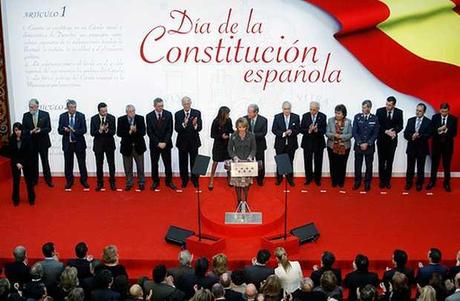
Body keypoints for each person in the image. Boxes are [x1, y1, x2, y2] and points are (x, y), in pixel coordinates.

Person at [146, 97, 177, 191]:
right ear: (154, 106)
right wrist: (158, 143)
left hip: (166, 144)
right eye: (159, 106)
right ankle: (155, 181)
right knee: (154, 164)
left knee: (168, 164)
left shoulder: (168, 114)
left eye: (162, 106)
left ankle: (169, 181)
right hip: (155, 145)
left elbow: (170, 130)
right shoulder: (149, 116)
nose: (161, 108)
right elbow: (149, 132)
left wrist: (164, 142)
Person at [58, 99, 89, 189]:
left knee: (82, 163)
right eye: (71, 107)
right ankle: (69, 181)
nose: (73, 109)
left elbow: (84, 130)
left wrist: (74, 131)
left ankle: (84, 181)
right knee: (68, 164)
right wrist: (65, 130)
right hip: (68, 144)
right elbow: (59, 130)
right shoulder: (62, 116)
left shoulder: (81, 116)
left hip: (79, 144)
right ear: (67, 108)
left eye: (74, 107)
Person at [22, 98, 53, 187]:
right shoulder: (26, 115)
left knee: (45, 162)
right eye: (29, 107)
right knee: (33, 163)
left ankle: (48, 180)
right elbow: (23, 130)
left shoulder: (45, 114)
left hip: (43, 142)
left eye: (32, 107)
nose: (30, 108)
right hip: (31, 143)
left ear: (37, 106)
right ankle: (34, 180)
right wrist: (30, 131)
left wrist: (40, 130)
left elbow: (49, 128)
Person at [427, 103, 457, 192]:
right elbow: (431, 131)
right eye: (442, 111)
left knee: (446, 165)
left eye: (446, 111)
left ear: (448, 111)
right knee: (434, 165)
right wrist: (439, 130)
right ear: (440, 110)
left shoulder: (453, 119)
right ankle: (432, 181)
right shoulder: (435, 117)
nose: (444, 113)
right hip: (436, 145)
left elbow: (454, 133)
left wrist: (446, 131)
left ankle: (447, 183)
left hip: (447, 146)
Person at [227, 117, 257, 208]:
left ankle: (245, 201)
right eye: (239, 127)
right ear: (237, 127)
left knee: (246, 184)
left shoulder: (251, 135)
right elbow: (229, 149)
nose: (241, 129)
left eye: (243, 127)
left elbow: (254, 148)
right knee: (237, 184)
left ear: (246, 127)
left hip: (247, 163)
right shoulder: (233, 136)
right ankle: (239, 201)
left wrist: (250, 156)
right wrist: (234, 157)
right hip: (237, 163)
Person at [175, 96, 202, 188]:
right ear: (182, 104)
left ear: (190, 103)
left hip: (194, 142)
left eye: (188, 103)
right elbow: (177, 129)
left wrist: (195, 125)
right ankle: (184, 180)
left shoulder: (197, 113)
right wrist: (184, 124)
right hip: (182, 143)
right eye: (184, 104)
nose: (186, 105)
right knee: (183, 163)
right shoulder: (178, 114)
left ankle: (195, 180)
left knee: (195, 162)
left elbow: (200, 128)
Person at [117, 104, 146, 191]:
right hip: (126, 147)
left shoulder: (140, 118)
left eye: (133, 111)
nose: (132, 113)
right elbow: (119, 133)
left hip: (138, 146)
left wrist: (136, 130)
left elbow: (143, 132)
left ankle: (141, 182)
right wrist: (129, 131)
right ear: (126, 112)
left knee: (140, 167)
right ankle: (129, 183)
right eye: (130, 111)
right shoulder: (121, 119)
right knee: (128, 167)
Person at [376, 96, 403, 189]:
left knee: (390, 162)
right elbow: (378, 124)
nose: (387, 106)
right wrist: (386, 131)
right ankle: (382, 181)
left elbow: (400, 126)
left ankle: (387, 181)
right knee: (381, 162)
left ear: (394, 105)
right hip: (381, 140)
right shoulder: (379, 111)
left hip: (392, 141)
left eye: (390, 105)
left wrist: (394, 131)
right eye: (387, 104)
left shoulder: (399, 112)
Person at [5, 122, 35, 205]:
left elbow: (30, 153)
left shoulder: (27, 138)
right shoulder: (11, 139)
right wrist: (16, 163)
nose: (17, 132)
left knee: (28, 181)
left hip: (26, 162)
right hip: (15, 162)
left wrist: (22, 163)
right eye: (15, 130)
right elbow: (11, 153)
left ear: (22, 130)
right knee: (16, 181)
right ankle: (15, 199)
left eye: (19, 130)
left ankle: (31, 199)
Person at [352, 100, 379, 191]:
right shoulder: (357, 117)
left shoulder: (374, 118)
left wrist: (368, 143)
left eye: (367, 107)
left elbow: (375, 133)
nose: (365, 109)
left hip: (369, 146)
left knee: (369, 166)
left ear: (370, 108)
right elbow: (354, 132)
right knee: (357, 165)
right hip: (359, 146)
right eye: (363, 107)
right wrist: (360, 143)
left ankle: (367, 182)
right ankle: (357, 181)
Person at [403, 103, 432, 191]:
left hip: (422, 148)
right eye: (417, 110)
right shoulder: (410, 120)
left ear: (424, 112)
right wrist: (412, 136)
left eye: (420, 111)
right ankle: (409, 182)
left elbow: (429, 135)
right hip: (411, 147)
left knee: (420, 167)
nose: (417, 112)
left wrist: (419, 135)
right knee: (410, 167)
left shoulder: (428, 121)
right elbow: (405, 134)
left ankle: (419, 183)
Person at [272, 101, 300, 186]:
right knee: (280, 161)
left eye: (288, 109)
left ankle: (290, 179)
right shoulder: (277, 117)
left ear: (290, 109)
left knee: (290, 162)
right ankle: (279, 179)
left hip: (291, 144)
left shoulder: (296, 117)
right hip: (280, 144)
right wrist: (284, 134)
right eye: (285, 109)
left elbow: (298, 130)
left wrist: (291, 132)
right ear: (282, 109)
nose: (286, 111)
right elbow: (274, 130)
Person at [90, 102, 117, 191]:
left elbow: (113, 132)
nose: (105, 113)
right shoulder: (93, 119)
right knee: (99, 165)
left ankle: (112, 182)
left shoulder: (112, 118)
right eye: (103, 111)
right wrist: (100, 130)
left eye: (106, 110)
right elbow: (92, 133)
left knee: (111, 164)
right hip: (98, 145)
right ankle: (100, 183)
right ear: (99, 111)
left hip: (109, 145)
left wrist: (107, 130)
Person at [300, 101, 327, 186]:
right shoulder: (305, 116)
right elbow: (301, 129)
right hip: (307, 143)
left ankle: (317, 179)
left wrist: (317, 130)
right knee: (307, 162)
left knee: (318, 162)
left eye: (314, 110)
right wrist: (309, 130)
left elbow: (324, 130)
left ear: (318, 109)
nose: (312, 111)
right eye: (311, 109)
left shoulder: (322, 116)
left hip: (318, 143)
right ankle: (308, 178)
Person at [325, 104, 352, 188]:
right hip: (332, 146)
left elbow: (350, 134)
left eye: (339, 113)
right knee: (333, 164)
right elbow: (327, 133)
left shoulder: (348, 121)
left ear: (343, 114)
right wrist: (334, 135)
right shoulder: (330, 120)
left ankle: (341, 182)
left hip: (345, 147)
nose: (337, 115)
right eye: (336, 113)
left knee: (342, 165)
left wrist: (340, 137)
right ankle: (334, 181)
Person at [209, 106, 234, 190]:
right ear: (223, 114)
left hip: (227, 144)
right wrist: (221, 136)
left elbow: (231, 130)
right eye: (227, 113)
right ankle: (211, 178)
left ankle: (230, 178)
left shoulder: (229, 120)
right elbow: (212, 135)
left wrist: (238, 132)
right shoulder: (216, 121)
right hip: (218, 145)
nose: (228, 115)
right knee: (215, 161)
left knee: (228, 162)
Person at [244, 104, 268, 186]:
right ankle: (247, 178)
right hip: (247, 146)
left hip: (259, 144)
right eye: (248, 112)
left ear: (256, 112)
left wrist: (251, 135)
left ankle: (260, 179)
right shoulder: (244, 119)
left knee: (260, 162)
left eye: (250, 112)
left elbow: (263, 133)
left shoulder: (263, 120)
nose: (248, 114)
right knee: (247, 162)